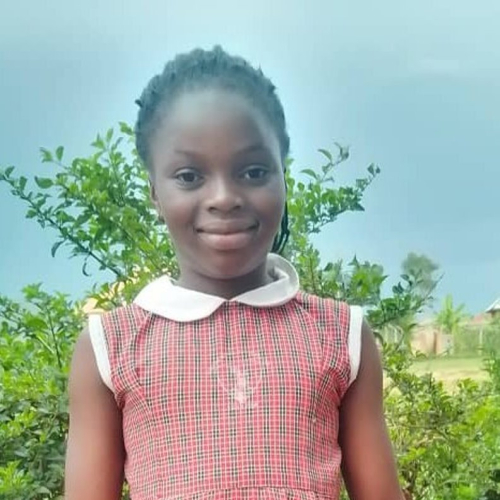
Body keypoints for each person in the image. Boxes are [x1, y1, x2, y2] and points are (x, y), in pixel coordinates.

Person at [65, 46, 402, 500]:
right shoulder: (110, 347)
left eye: (254, 171)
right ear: (154, 193)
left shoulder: (340, 336)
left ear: (284, 178)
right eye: (189, 176)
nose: (223, 197)